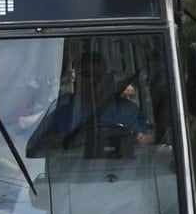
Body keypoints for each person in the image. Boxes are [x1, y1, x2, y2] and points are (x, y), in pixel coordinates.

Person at [26, 51, 154, 157]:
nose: (93, 81)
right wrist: (51, 143)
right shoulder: (62, 110)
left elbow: (151, 139)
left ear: (106, 79)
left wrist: (144, 139)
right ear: (77, 79)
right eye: (86, 75)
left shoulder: (127, 111)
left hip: (122, 173)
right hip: (72, 175)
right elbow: (32, 149)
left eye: (98, 75)